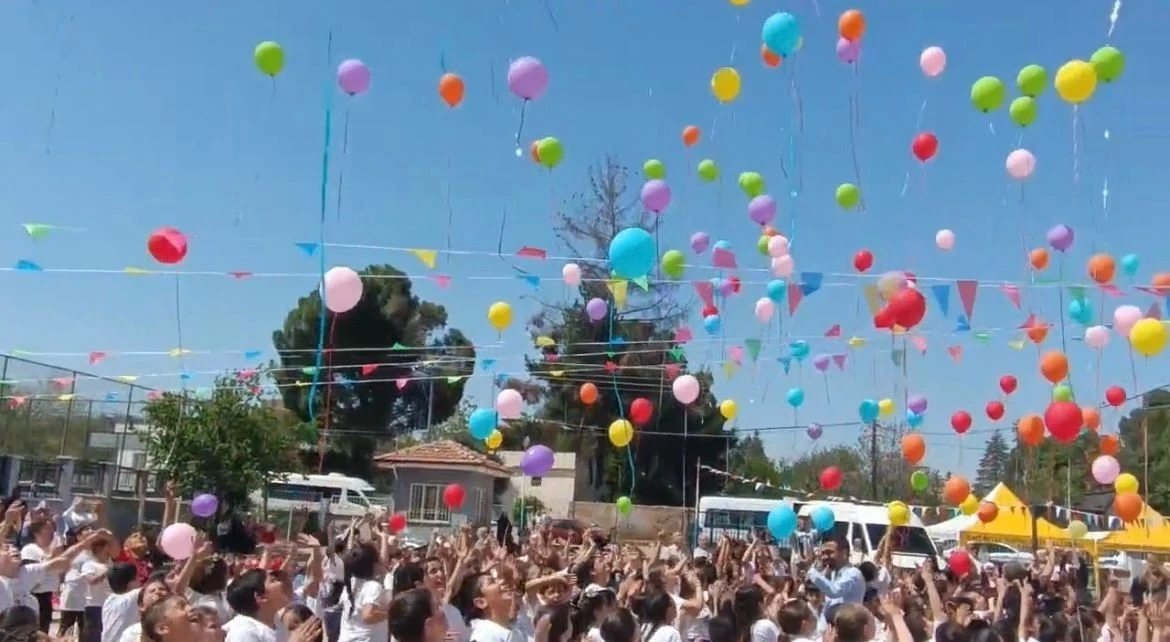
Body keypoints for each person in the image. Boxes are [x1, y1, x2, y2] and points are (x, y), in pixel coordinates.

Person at [806, 542, 865, 633]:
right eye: (823, 554)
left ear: (844, 553)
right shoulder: (834, 573)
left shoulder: (853, 573)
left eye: (829, 553)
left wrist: (812, 571)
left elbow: (835, 591)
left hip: (846, 632)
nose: (825, 557)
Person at [224, 568, 295, 642]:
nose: (283, 582)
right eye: (273, 580)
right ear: (261, 597)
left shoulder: (275, 621)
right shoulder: (243, 633)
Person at [336, 543, 388, 642]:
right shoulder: (373, 586)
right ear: (374, 564)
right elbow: (368, 616)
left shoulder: (351, 583)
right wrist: (391, 613)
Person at [20, 517, 61, 632]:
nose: (51, 532)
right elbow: (32, 573)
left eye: (52, 528)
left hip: (47, 595)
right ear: (36, 532)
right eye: (47, 528)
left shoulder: (48, 549)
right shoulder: (30, 549)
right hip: (35, 595)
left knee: (44, 628)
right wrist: (53, 553)